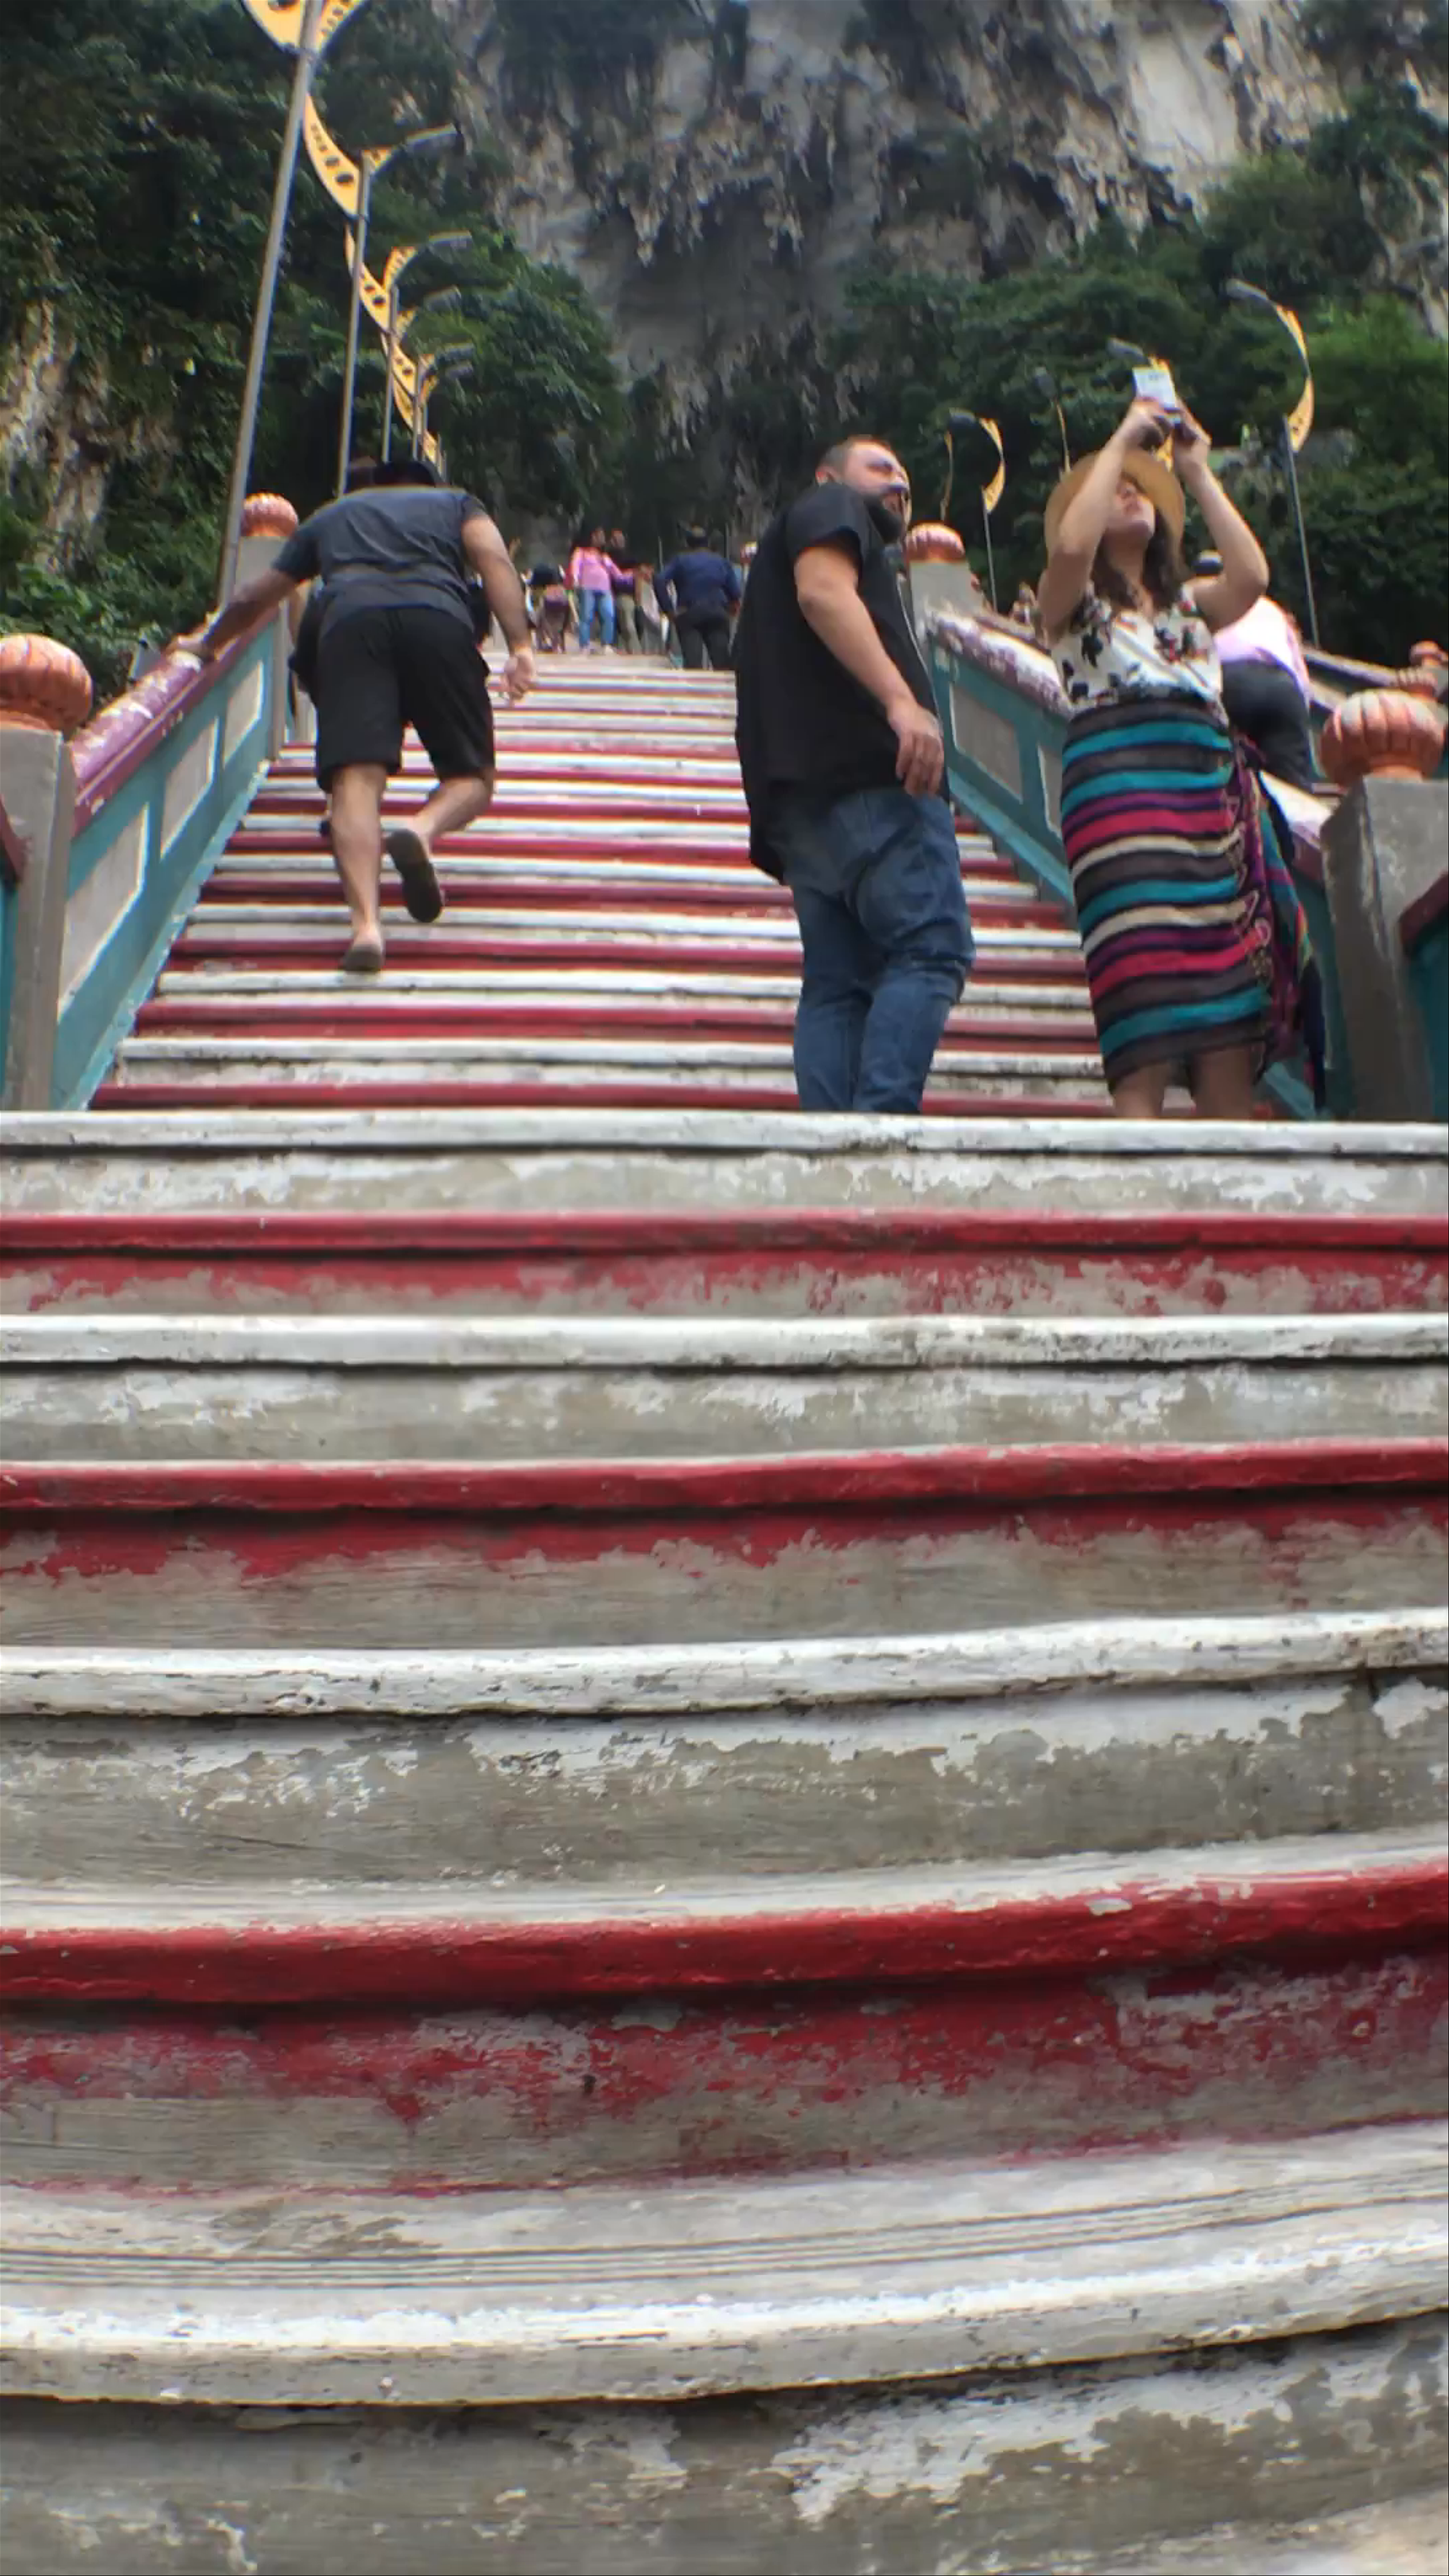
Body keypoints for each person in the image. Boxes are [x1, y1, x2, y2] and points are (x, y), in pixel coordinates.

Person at [1038, 398, 1324, 1119]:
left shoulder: (1188, 605)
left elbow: (1252, 575)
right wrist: (1122, 441)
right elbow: (1069, 552)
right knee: (1141, 1002)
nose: (1131, 494)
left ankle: (1229, 1185)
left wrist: (1195, 470)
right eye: (1115, 491)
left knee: (1227, 1025)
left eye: (1142, 489)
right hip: (1118, 793)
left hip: (1208, 801)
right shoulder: (1069, 603)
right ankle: (1140, 1165)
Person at [193, 456, 533, 973]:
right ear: (430, 486)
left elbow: (257, 594)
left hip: (351, 626)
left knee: (355, 780)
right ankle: (421, 828)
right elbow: (495, 564)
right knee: (472, 777)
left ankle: (367, 928)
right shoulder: (457, 505)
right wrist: (521, 646)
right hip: (438, 619)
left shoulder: (334, 514)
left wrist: (206, 644)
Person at [733, 434, 974, 1115]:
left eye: (904, 472)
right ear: (828, 476)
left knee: (838, 981)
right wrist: (901, 701)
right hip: (872, 778)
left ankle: (832, 1144)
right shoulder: (833, 507)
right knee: (933, 946)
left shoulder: (780, 562)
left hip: (800, 803)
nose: (899, 481)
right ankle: (880, 1126)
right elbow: (823, 593)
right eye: (880, 466)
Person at [1194, 552, 1317, 790]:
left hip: (1225, 683)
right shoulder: (1271, 608)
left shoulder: (1194, 604)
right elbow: (1301, 676)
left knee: (1217, 784)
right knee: (1292, 791)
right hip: (1282, 689)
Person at [657, 527, 741, 670]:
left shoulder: (680, 560)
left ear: (687, 544)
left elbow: (660, 580)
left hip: (689, 613)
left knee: (693, 665)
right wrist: (732, 610)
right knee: (722, 664)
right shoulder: (721, 562)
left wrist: (669, 610)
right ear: (707, 543)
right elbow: (735, 594)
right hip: (717, 612)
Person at [568, 528, 621, 651]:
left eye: (603, 537)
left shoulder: (604, 556)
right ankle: (584, 645)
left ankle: (607, 644)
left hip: (605, 589)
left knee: (609, 615)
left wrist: (628, 576)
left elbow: (615, 572)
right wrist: (575, 579)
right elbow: (575, 565)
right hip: (588, 588)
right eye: (599, 536)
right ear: (593, 537)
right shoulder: (581, 552)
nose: (602, 539)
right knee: (586, 616)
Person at [529, 558, 572, 653]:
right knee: (558, 626)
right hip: (559, 609)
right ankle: (558, 646)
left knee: (540, 623)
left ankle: (542, 645)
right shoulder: (560, 590)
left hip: (544, 608)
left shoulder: (537, 591)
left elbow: (533, 602)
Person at [608, 531, 641, 652]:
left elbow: (637, 577)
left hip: (626, 596)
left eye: (620, 539)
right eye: (616, 539)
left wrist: (638, 597)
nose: (619, 542)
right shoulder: (607, 557)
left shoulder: (630, 558)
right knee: (619, 626)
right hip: (611, 596)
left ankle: (634, 650)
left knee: (628, 625)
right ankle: (624, 650)